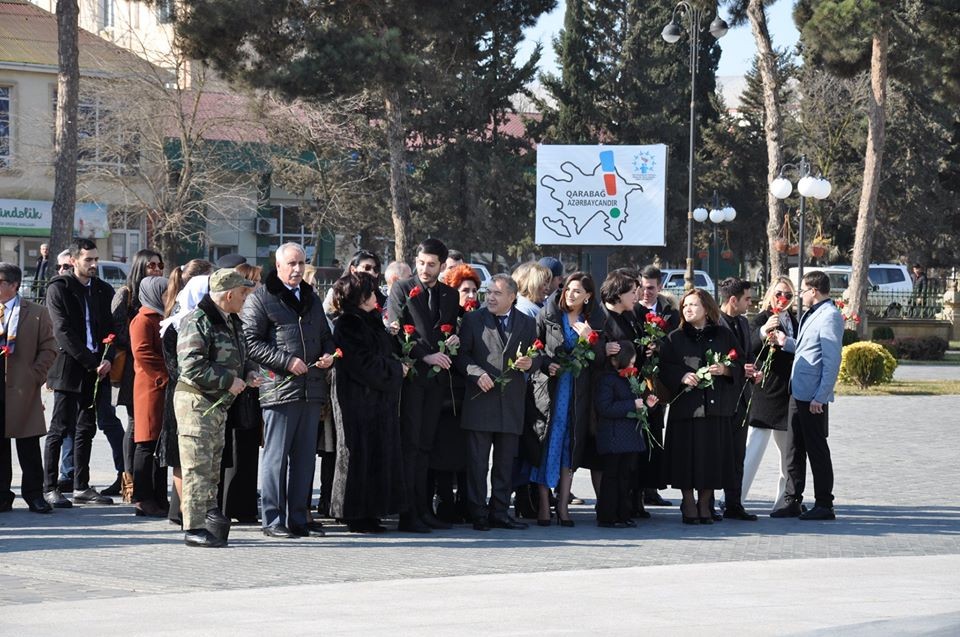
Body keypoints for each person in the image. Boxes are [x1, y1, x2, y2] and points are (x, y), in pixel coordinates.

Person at [242, 242, 336, 539]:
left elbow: (324, 335)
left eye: (301, 263)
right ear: (278, 265)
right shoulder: (261, 297)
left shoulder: (311, 297)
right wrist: (287, 361)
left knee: (305, 458)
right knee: (276, 458)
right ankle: (273, 519)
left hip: (311, 389)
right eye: (291, 264)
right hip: (279, 389)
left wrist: (329, 355)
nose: (297, 269)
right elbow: (251, 342)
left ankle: (299, 517)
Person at [175, 268, 258, 548]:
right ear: (230, 294)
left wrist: (248, 374)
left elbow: (242, 355)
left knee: (212, 467)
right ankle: (194, 527)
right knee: (197, 466)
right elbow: (191, 365)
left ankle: (209, 519)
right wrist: (227, 380)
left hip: (217, 404)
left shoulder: (231, 321)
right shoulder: (198, 321)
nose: (246, 299)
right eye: (243, 294)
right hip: (197, 403)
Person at [386, 238, 461, 533]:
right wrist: (425, 355)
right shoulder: (402, 289)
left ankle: (424, 508)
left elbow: (451, 328)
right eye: (421, 263)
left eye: (431, 264)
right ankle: (408, 512)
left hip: (437, 381)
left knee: (427, 446)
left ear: (442, 265)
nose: (425, 269)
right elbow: (398, 331)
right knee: (411, 446)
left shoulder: (449, 295)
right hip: (413, 377)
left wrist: (455, 339)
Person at [455, 274, 538, 531]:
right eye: (488, 291)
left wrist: (531, 362)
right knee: (478, 464)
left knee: (504, 464)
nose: (490, 297)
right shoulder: (472, 319)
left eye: (497, 293)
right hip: (480, 401)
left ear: (512, 297)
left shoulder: (526, 322)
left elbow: (539, 354)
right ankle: (478, 512)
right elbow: (461, 355)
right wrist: (476, 373)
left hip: (511, 404)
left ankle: (500, 512)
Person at [42, 238, 119, 508]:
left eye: (96, 259)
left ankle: (81, 485)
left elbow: (113, 329)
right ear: (74, 261)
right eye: (88, 260)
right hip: (69, 367)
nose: (94, 264)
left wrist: (107, 359)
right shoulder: (59, 288)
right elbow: (62, 331)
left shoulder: (102, 290)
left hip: (97, 369)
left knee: (87, 428)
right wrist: (90, 361)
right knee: (60, 428)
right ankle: (50, 486)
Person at [329, 273, 406, 533]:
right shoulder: (348, 324)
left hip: (378, 401)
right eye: (371, 293)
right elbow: (361, 362)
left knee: (377, 454)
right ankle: (355, 513)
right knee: (357, 455)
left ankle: (373, 510)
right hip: (357, 401)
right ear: (360, 297)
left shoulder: (370, 320)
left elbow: (383, 351)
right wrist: (396, 369)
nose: (377, 297)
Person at [659, 288, 743, 525]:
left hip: (715, 409)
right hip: (686, 408)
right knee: (685, 459)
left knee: (712, 459)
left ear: (706, 308)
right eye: (685, 305)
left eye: (693, 305)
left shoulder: (723, 335)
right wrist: (682, 376)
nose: (688, 309)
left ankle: (705, 502)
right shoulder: (675, 337)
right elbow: (665, 367)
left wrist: (725, 370)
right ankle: (687, 501)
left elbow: (739, 361)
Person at [530, 272, 604, 527]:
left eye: (577, 291)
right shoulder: (548, 315)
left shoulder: (592, 320)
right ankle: (543, 504)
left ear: (588, 296)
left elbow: (600, 360)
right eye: (568, 289)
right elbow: (535, 349)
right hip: (551, 390)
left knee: (569, 447)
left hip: (578, 393)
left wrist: (590, 338)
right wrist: (547, 364)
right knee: (548, 443)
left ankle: (563, 506)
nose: (570, 294)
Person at [771, 270, 843, 521]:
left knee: (816, 449)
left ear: (814, 291)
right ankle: (793, 499)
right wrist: (785, 342)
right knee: (794, 448)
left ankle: (824, 503)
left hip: (813, 396)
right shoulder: (811, 314)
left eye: (802, 291)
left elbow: (832, 360)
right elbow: (807, 348)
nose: (799, 295)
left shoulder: (830, 316)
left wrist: (821, 396)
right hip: (797, 391)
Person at [158, 263, 214, 526]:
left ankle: (187, 508)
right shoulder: (175, 326)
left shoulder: (207, 324)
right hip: (182, 394)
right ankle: (182, 510)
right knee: (181, 457)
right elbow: (177, 367)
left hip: (204, 396)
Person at [0, 263, 57, 514]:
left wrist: (35, 375)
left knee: (28, 445)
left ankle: (35, 494)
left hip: (24, 388)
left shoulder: (35, 312)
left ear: (13, 285)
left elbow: (49, 347)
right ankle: (2, 495)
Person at [109, 249, 164, 500]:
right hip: (134, 367)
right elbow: (117, 330)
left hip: (149, 366)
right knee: (135, 425)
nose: (155, 269)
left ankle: (147, 483)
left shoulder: (159, 295)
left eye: (159, 265)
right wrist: (141, 339)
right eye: (150, 265)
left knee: (148, 428)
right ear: (140, 266)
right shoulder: (126, 294)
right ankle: (128, 479)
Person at [742, 277, 798, 511]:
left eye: (787, 295)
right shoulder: (761, 319)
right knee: (753, 448)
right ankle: (734, 497)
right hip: (765, 391)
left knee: (788, 453)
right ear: (770, 295)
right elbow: (750, 346)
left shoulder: (795, 320)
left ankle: (783, 501)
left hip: (788, 392)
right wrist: (765, 333)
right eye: (778, 294)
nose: (782, 299)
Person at [430, 263, 479, 523]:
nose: (471, 296)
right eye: (465, 290)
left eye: (474, 291)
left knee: (466, 455)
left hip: (469, 396)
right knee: (444, 453)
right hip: (446, 396)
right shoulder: (445, 316)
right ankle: (445, 502)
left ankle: (466, 503)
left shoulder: (478, 318)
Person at [219, 263, 263, 524]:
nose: (257, 287)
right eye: (253, 281)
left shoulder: (246, 311)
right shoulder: (236, 313)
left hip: (248, 387)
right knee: (232, 451)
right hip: (229, 392)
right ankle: (228, 506)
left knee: (246, 451)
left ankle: (243, 506)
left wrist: (251, 372)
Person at [633, 265, 679, 509]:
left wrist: (660, 348)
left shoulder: (670, 313)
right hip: (637, 380)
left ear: (660, 287)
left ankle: (652, 488)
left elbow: (676, 343)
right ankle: (637, 490)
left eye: (651, 288)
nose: (646, 292)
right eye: (642, 287)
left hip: (659, 383)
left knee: (655, 431)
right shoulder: (633, 310)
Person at [595, 342, 655, 528]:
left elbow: (637, 405)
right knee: (611, 476)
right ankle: (607, 515)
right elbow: (604, 408)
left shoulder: (631, 379)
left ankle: (623, 513)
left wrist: (647, 406)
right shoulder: (607, 379)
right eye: (630, 362)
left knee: (625, 477)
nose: (632, 366)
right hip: (613, 437)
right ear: (615, 360)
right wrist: (632, 405)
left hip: (629, 437)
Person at [716, 277, 759, 522]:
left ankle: (734, 503)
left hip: (742, 398)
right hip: (721, 399)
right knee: (716, 453)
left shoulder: (743, 322)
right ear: (733, 300)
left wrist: (754, 371)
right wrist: (738, 370)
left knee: (737, 454)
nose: (750, 303)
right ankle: (708, 502)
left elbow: (748, 355)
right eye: (747, 299)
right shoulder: (715, 323)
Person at [129, 276, 170, 517]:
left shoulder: (160, 316)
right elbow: (142, 352)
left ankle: (159, 496)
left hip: (160, 386)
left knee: (159, 444)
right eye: (164, 293)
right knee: (146, 443)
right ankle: (143, 498)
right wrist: (165, 375)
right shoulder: (143, 319)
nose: (168, 297)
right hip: (150, 387)